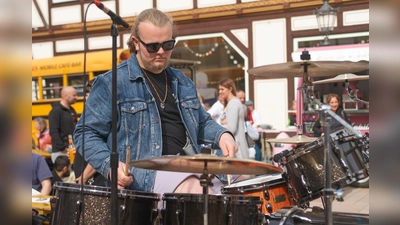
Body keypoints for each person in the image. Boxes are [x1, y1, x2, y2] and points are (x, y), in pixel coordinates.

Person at [73, 8, 237, 196]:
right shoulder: (111, 83)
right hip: (144, 176)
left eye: (168, 44)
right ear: (136, 42)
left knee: (242, 190)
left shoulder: (182, 81)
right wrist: (109, 166)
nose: (161, 52)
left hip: (189, 166)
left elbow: (202, 123)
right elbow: (85, 133)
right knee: (196, 190)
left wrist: (222, 135)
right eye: (153, 46)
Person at [74, 78, 108, 186]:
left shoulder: (104, 117)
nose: (86, 97)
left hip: (95, 180)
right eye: (87, 93)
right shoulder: (90, 114)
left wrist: (84, 177)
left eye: (91, 93)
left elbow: (102, 152)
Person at [219, 78, 249, 159]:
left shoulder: (233, 103)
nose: (220, 92)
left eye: (222, 89)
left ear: (230, 89)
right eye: (219, 89)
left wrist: (216, 129)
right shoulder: (234, 102)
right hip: (238, 148)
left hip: (237, 150)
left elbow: (231, 128)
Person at [48, 86, 78, 163]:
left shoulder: (71, 110)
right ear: (65, 96)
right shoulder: (56, 111)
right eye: (74, 95)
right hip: (61, 152)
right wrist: (62, 147)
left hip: (72, 149)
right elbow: (54, 131)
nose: (76, 97)